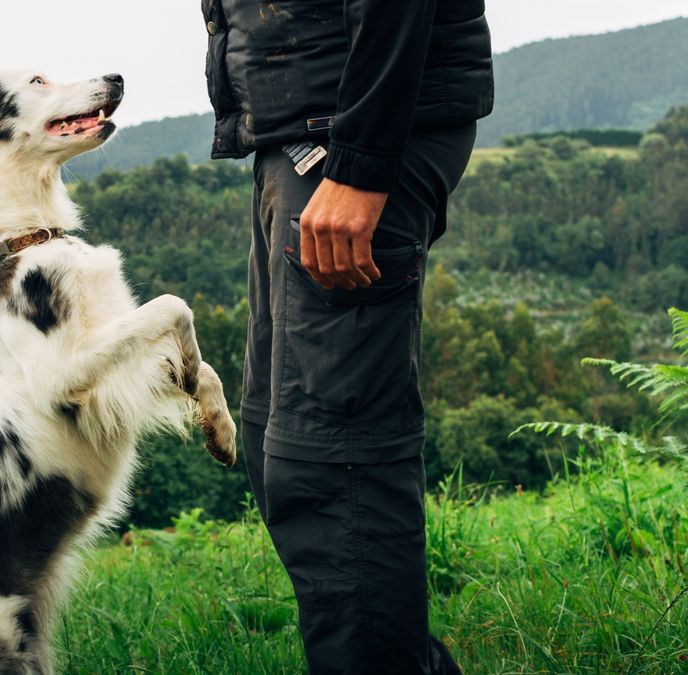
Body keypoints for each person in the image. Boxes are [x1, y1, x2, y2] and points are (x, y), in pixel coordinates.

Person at [201, 0, 493, 672]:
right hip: (302, 135)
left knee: (333, 459)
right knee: (272, 426)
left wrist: (360, 164)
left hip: (350, 138)